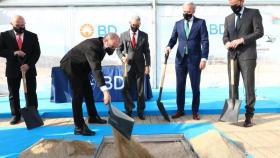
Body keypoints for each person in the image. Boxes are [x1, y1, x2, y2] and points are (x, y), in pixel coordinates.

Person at [60, 33, 120, 136]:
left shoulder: (103, 46)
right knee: (78, 94)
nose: (113, 49)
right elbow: (96, 69)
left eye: (116, 47)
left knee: (88, 91)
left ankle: (93, 117)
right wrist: (105, 91)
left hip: (81, 67)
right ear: (106, 41)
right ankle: (79, 127)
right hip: (70, 65)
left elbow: (94, 65)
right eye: (113, 46)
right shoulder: (92, 47)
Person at [165, 2, 209, 120]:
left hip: (195, 60)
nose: (186, 14)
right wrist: (169, 46)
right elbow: (173, 39)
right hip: (180, 60)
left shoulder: (200, 23)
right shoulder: (178, 24)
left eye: (189, 12)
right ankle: (180, 110)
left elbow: (205, 41)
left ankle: (195, 111)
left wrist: (204, 58)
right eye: (184, 12)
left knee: (195, 87)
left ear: (193, 11)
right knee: (180, 86)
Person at [223, 0, 263, 127]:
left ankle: (249, 116)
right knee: (232, 86)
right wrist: (226, 43)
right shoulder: (228, 18)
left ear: (242, 1)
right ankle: (232, 115)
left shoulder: (253, 13)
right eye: (230, 4)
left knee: (248, 86)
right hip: (232, 56)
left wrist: (242, 40)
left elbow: (259, 32)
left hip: (247, 56)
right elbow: (225, 36)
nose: (232, 6)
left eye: (234, 3)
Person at [0, 15, 41, 125]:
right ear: (11, 24)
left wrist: (28, 65)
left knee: (31, 92)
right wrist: (14, 53)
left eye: (22, 25)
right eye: (17, 25)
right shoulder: (4, 35)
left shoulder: (32, 36)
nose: (20, 27)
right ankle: (16, 115)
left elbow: (37, 53)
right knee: (13, 93)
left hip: (29, 69)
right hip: (12, 70)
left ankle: (33, 114)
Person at [116, 16, 151, 120]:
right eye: (133, 25)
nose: (135, 27)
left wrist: (147, 65)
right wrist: (122, 58)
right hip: (127, 67)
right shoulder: (123, 35)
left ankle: (141, 111)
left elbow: (147, 51)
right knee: (127, 89)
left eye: (137, 25)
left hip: (140, 66)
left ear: (140, 24)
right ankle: (129, 110)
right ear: (129, 23)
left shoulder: (144, 35)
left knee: (140, 90)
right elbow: (118, 49)